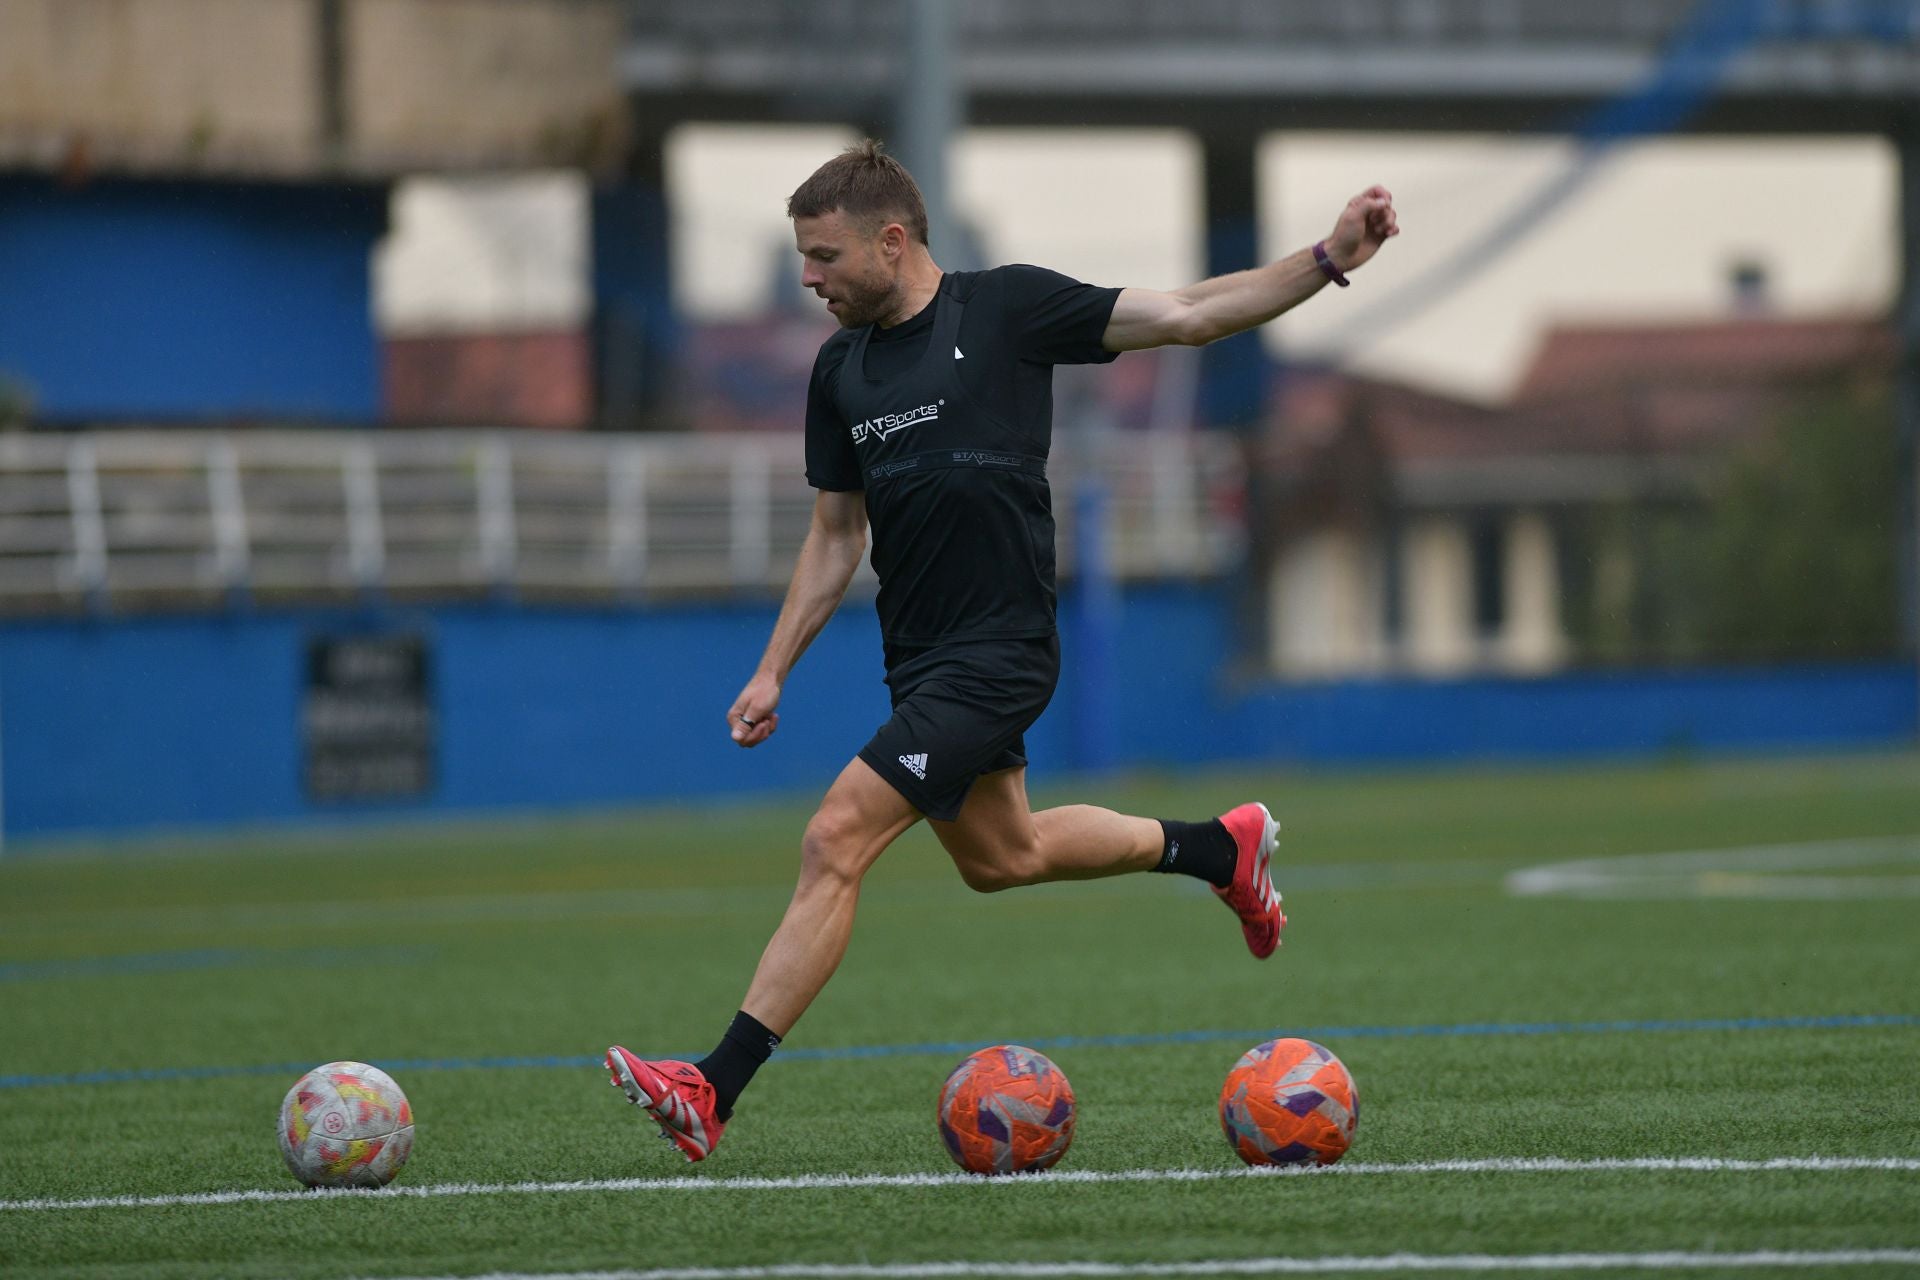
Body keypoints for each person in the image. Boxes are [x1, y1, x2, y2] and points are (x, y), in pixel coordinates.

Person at [608, 140, 1399, 1162]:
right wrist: (772, 669)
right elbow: (837, 534)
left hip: (1003, 647)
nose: (808, 280)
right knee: (1002, 856)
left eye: (825, 256)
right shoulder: (839, 367)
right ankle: (1220, 846)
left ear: (893, 241)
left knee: (834, 837)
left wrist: (1329, 258)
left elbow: (1191, 313)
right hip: (922, 658)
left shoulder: (1008, 311)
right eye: (802, 259)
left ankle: (711, 1084)